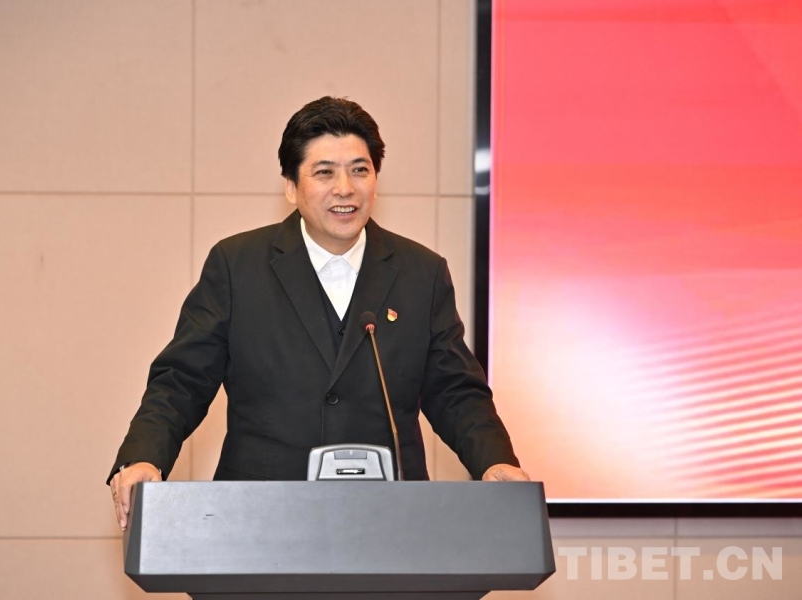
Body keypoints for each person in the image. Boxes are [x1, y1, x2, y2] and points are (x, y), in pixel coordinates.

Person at [107, 96, 529, 530]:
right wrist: (144, 456)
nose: (345, 188)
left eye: (359, 170)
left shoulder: (421, 272)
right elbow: (182, 381)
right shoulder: (237, 266)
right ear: (291, 186)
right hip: (260, 520)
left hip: (389, 522)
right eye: (324, 172)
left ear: (375, 181)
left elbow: (455, 391)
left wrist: (494, 461)